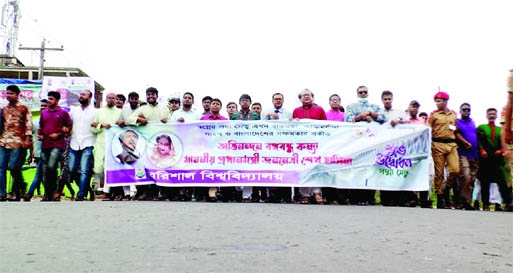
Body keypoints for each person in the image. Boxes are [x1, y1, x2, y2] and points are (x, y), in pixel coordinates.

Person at [127, 87, 170, 201]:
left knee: (158, 167)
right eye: (148, 95)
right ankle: (144, 192)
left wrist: (167, 121)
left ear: (157, 96)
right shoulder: (143, 108)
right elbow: (128, 119)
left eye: (153, 95)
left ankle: (158, 193)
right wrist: (139, 120)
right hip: (145, 142)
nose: (150, 97)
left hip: (159, 144)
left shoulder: (164, 108)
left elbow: (171, 123)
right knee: (143, 166)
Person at [345, 86, 384, 205]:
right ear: (357, 94)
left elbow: (383, 118)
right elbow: (347, 119)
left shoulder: (375, 107)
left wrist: (371, 115)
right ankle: (356, 197)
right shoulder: (351, 106)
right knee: (356, 168)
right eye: (360, 92)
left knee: (370, 168)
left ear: (368, 93)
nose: (363, 94)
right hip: (356, 142)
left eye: (365, 92)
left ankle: (369, 197)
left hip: (371, 142)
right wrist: (361, 117)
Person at [293, 89, 327, 204]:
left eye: (308, 95)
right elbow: (293, 128)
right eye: (303, 95)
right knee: (303, 169)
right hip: (302, 145)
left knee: (316, 168)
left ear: (313, 97)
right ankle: (305, 195)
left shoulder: (320, 110)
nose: (306, 97)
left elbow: (326, 127)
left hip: (317, 144)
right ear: (300, 99)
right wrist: (293, 122)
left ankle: (316, 192)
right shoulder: (296, 111)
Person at [0, 85, 33, 201]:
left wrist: (28, 139)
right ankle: (2, 193)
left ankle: (20, 186)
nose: (8, 95)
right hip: (3, 141)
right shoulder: (4, 109)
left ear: (17, 94)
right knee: (1, 167)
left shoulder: (24, 107)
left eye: (11, 93)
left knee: (14, 167)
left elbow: (29, 124)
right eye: (7, 93)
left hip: (18, 141)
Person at [428, 91, 460, 209]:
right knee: (439, 173)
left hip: (451, 144)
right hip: (438, 144)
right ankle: (440, 198)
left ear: (445, 101)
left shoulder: (453, 115)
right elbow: (428, 130)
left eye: (439, 101)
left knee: (455, 170)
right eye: (436, 101)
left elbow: (456, 129)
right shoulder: (434, 115)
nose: (437, 103)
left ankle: (446, 189)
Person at [39, 91, 72, 201]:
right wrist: (40, 134)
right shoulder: (44, 113)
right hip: (45, 144)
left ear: (57, 100)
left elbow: (69, 128)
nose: (49, 101)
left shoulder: (63, 113)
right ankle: (48, 194)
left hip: (58, 144)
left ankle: (54, 192)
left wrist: (59, 134)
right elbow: (41, 127)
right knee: (45, 170)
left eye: (51, 99)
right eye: (48, 98)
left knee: (52, 166)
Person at [260, 92, 293, 203]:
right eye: (276, 99)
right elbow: (262, 126)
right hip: (270, 145)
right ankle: (272, 194)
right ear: (272, 101)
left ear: (283, 101)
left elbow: (290, 127)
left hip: (284, 145)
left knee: (285, 168)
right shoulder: (265, 112)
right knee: (272, 169)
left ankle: (286, 196)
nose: (278, 101)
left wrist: (278, 118)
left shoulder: (288, 113)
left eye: (280, 99)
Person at [228, 94, 260, 202]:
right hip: (237, 146)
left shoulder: (255, 115)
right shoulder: (234, 115)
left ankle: (247, 195)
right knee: (236, 168)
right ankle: (237, 192)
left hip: (251, 146)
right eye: (243, 100)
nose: (245, 102)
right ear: (239, 103)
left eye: (247, 100)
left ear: (250, 103)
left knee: (248, 170)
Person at [91, 92, 123, 201]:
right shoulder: (99, 112)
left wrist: (120, 124)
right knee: (98, 168)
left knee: (111, 168)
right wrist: (101, 125)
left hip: (115, 144)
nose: (111, 100)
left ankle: (108, 192)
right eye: (109, 98)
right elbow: (93, 128)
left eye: (113, 98)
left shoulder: (120, 112)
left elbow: (124, 127)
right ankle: (106, 189)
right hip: (100, 143)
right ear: (106, 99)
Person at [480, 108, 512, 211]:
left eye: (494, 114)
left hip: (497, 159)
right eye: (490, 114)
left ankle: (508, 203)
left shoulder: (500, 130)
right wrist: (482, 150)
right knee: (485, 182)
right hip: (485, 158)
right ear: (486, 115)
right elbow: (479, 141)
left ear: (496, 115)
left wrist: (502, 150)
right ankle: (485, 204)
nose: (492, 115)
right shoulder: (482, 127)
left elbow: (504, 142)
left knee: (501, 181)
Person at [68, 90, 97, 201]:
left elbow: (99, 125)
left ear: (89, 97)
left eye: (83, 95)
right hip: (74, 142)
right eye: (80, 94)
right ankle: (86, 189)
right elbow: (67, 122)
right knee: (71, 170)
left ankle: (81, 195)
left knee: (85, 170)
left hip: (88, 142)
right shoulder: (74, 110)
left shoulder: (95, 112)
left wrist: (97, 125)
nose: (81, 96)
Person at [200, 98, 227, 202]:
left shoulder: (224, 120)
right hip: (206, 148)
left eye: (217, 104)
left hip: (220, 148)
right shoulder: (203, 119)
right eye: (213, 104)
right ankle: (210, 191)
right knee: (207, 169)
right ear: (210, 106)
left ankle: (214, 191)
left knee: (217, 169)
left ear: (220, 107)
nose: (215, 105)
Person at [407, 100, 432, 208]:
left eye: (417, 107)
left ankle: (424, 199)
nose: (415, 109)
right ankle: (412, 198)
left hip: (421, 151)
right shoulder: (404, 120)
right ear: (409, 108)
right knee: (410, 174)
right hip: (408, 151)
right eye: (413, 106)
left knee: (423, 175)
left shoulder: (422, 121)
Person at [454, 103, 478, 210]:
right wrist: (464, 142)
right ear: (460, 111)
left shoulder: (472, 122)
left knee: (471, 179)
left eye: (468, 110)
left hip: (474, 154)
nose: (466, 112)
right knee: (466, 175)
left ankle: (467, 201)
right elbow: (455, 133)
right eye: (464, 110)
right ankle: (462, 200)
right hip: (462, 153)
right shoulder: (457, 122)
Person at [324, 93, 346, 205]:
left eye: (337, 100)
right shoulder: (325, 114)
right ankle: (328, 197)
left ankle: (341, 197)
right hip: (328, 146)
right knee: (328, 171)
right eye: (333, 100)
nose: (335, 102)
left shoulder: (344, 115)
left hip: (341, 146)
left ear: (340, 102)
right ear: (329, 102)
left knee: (340, 171)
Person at [24, 99, 48, 201]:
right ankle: (47, 193)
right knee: (41, 174)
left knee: (41, 175)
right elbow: (30, 139)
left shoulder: (51, 122)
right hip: (38, 152)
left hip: (49, 152)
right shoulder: (34, 122)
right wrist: (31, 154)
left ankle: (30, 193)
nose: (42, 107)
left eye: (45, 106)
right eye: (41, 106)